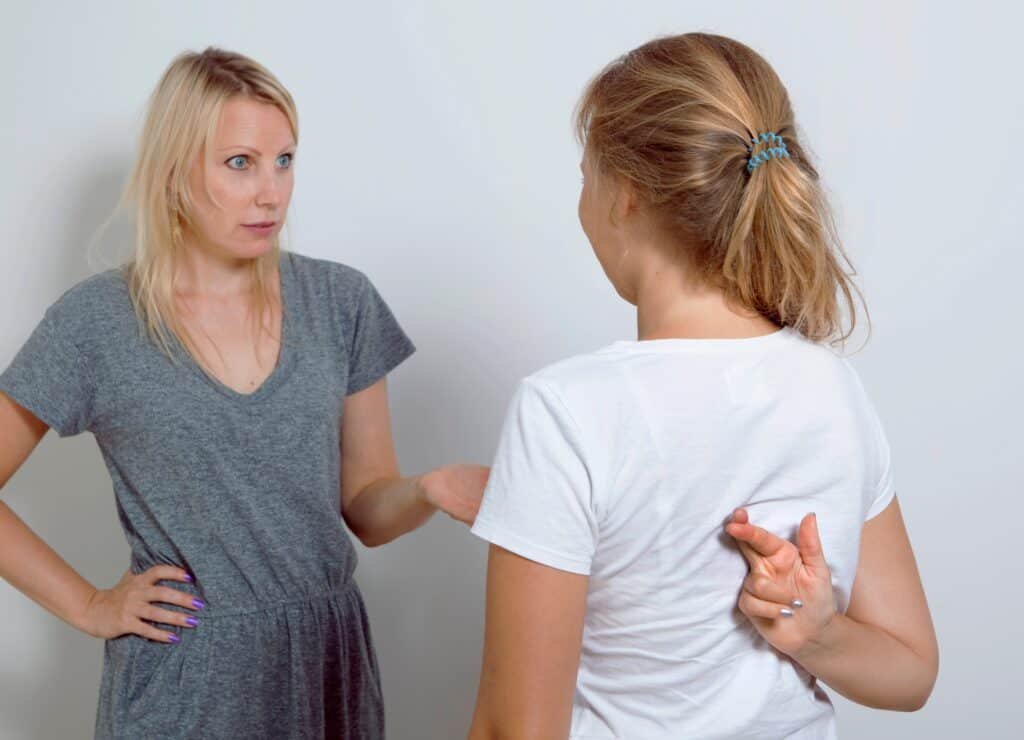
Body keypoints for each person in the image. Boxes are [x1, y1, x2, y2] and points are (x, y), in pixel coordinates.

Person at [0, 47, 487, 739]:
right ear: (173, 173)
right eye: (240, 164)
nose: (271, 193)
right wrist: (87, 605)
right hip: (185, 680)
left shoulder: (339, 301)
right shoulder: (97, 322)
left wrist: (427, 490)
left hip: (325, 664)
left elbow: (368, 508)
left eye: (284, 160)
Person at [467, 32, 938, 739]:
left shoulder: (566, 411)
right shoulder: (833, 389)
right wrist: (815, 634)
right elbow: (911, 671)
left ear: (625, 194)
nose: (581, 202)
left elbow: (515, 730)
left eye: (586, 176)